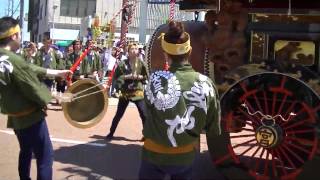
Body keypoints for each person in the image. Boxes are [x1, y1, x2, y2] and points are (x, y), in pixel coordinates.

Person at [139, 21, 221, 179]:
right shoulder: (206, 84)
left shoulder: (154, 80)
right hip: (185, 155)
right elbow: (213, 128)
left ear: (165, 54)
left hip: (153, 155)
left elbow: (148, 113)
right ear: (189, 51)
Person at [0, 16, 71, 180]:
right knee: (45, 156)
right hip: (30, 118)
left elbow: (28, 67)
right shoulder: (14, 60)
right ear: (14, 36)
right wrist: (55, 96)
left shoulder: (6, 58)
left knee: (25, 151)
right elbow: (33, 88)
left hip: (15, 118)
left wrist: (56, 72)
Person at [105, 43, 149, 140]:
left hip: (137, 90)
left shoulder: (141, 63)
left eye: (136, 49)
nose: (134, 50)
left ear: (138, 51)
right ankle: (111, 132)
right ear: (128, 52)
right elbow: (116, 77)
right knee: (119, 114)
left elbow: (146, 76)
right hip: (125, 91)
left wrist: (140, 77)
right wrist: (126, 77)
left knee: (144, 113)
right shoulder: (122, 63)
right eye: (132, 49)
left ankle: (146, 135)